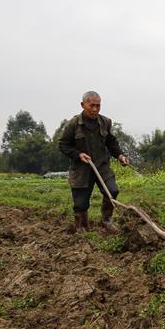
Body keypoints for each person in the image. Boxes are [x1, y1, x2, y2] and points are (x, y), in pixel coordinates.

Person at [58, 91, 130, 232]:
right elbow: (63, 145)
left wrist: (120, 155)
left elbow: (111, 142)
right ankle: (82, 227)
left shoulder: (105, 122)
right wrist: (78, 155)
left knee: (112, 190)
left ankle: (106, 221)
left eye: (98, 106)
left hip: (102, 166)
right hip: (81, 169)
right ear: (83, 105)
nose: (95, 109)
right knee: (80, 202)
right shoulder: (73, 124)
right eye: (92, 105)